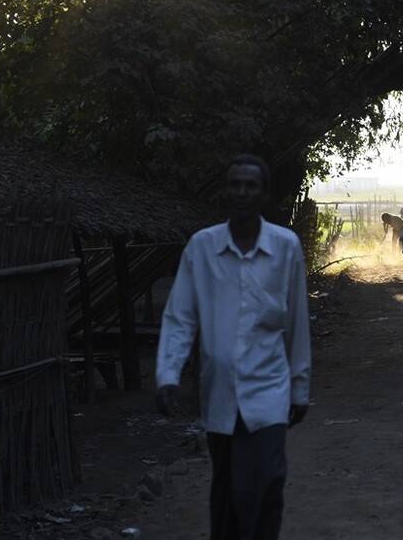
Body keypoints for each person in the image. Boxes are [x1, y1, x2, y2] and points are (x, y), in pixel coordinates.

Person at [155, 154, 311, 540]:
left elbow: (296, 323)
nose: (242, 192)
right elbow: (180, 316)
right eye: (236, 185)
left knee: (270, 480)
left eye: (251, 185)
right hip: (220, 389)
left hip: (270, 389)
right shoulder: (202, 248)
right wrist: (167, 373)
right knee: (227, 489)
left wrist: (299, 387)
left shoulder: (285, 247)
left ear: (265, 194)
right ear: (226, 192)